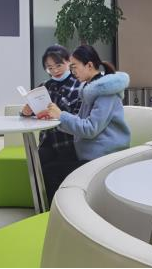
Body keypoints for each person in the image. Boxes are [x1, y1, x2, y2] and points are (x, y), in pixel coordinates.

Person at [38, 44, 130, 202]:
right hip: (89, 152)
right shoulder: (90, 88)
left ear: (89, 65)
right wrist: (56, 117)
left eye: (74, 67)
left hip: (102, 156)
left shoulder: (105, 93)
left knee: (50, 172)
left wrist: (61, 116)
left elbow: (90, 128)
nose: (73, 71)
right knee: (46, 163)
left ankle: (57, 212)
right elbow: (81, 123)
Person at [20, 45, 82, 175]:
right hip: (46, 142)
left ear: (68, 61)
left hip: (69, 144)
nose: (55, 71)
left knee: (50, 172)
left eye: (59, 65)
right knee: (35, 166)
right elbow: (32, 114)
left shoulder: (79, 85)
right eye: (50, 68)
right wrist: (25, 112)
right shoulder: (44, 86)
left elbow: (80, 119)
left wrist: (58, 113)